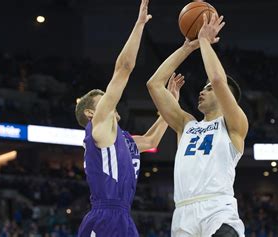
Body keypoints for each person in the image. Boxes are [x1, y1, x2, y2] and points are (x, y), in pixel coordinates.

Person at [74, 0, 184, 236]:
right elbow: (124, 68)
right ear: (91, 113)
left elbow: (152, 141)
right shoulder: (98, 128)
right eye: (102, 100)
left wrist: (171, 105)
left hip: (123, 216)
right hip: (105, 216)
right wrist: (139, 25)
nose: (109, 102)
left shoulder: (122, 139)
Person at [147, 13, 248, 237]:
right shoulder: (186, 124)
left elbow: (220, 80)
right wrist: (187, 48)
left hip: (217, 210)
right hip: (183, 213)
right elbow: (154, 84)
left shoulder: (234, 124)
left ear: (225, 98)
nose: (203, 90)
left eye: (209, 88)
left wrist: (204, 40)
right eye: (205, 87)